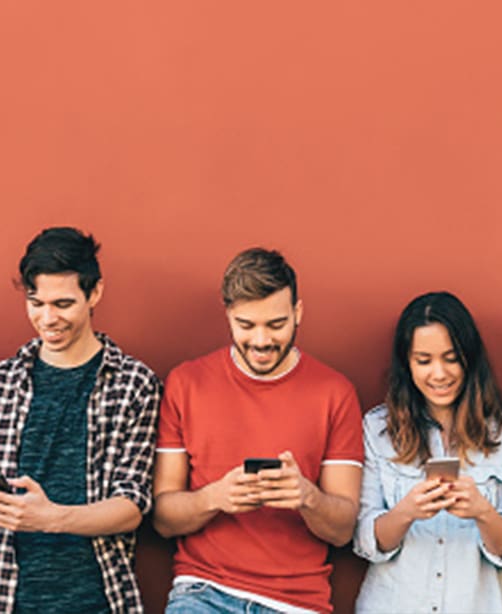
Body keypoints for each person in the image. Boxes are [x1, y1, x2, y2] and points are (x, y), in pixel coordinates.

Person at [153, 247, 364, 614]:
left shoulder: (335, 393)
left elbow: (343, 530)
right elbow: (163, 519)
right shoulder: (186, 384)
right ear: (228, 316)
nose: (262, 341)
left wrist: (307, 496)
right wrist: (215, 497)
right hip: (203, 592)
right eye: (246, 325)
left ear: (298, 312)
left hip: (298, 603)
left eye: (276, 325)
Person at [0, 227, 162, 614]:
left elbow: (132, 505)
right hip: (0, 599)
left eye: (63, 304)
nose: (47, 318)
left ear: (95, 293)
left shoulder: (136, 384)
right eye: (36, 302)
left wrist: (50, 518)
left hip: (98, 598)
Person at [352, 292, 502, 613]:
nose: (439, 374)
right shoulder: (378, 429)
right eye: (424, 360)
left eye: (451, 358)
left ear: (469, 358)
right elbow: (367, 543)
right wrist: (407, 511)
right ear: (407, 363)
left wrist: (482, 512)